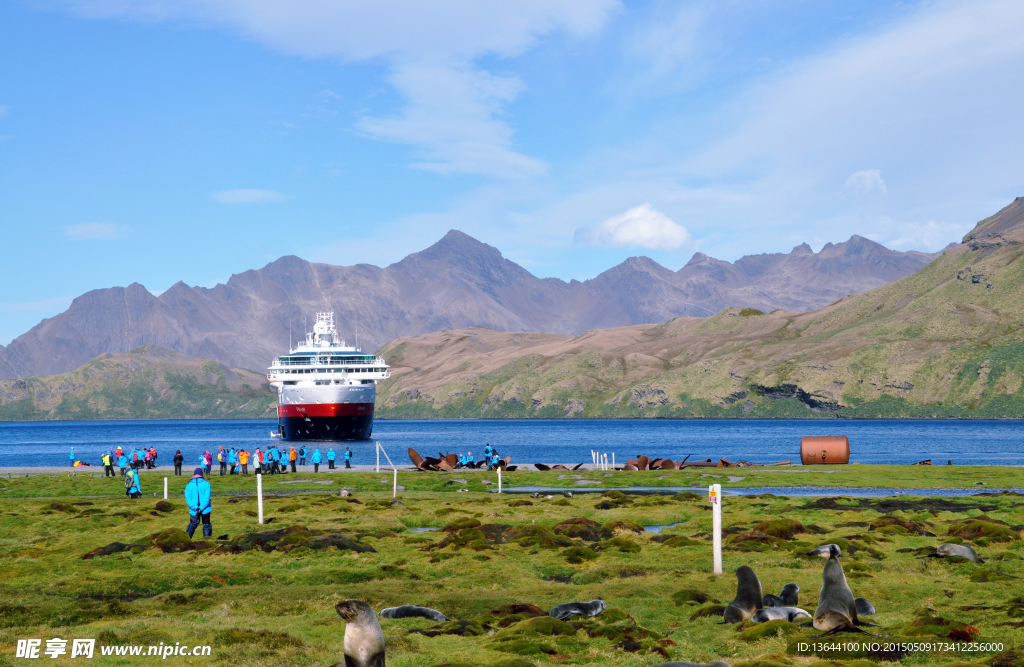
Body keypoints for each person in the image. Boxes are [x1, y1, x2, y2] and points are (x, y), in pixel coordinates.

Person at [184, 468, 212, 539]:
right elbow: (207, 499)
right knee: (206, 525)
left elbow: (188, 499)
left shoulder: (189, 486)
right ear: (201, 475)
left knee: (193, 523)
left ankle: (186, 539)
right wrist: (200, 508)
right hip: (205, 509)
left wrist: (195, 508)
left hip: (194, 510)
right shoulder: (206, 484)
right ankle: (207, 541)